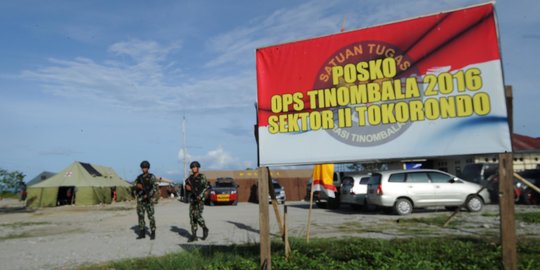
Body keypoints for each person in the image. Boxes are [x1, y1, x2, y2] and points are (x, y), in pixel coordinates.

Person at [185, 161, 210, 242]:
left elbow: (206, 188)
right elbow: (187, 188)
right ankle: (194, 235)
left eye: (195, 167)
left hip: (199, 200)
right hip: (192, 200)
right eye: (192, 167)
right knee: (192, 218)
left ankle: (204, 228)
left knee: (197, 215)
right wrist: (187, 187)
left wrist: (201, 196)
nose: (193, 168)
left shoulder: (202, 177)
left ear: (198, 168)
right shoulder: (189, 178)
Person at [134, 160, 158, 240]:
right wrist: (137, 186)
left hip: (148, 199)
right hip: (140, 200)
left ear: (148, 168)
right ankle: (142, 232)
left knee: (151, 216)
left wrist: (149, 195)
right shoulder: (139, 177)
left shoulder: (152, 177)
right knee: (141, 216)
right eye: (143, 168)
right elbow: (134, 185)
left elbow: (155, 188)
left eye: (145, 167)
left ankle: (153, 232)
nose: (144, 169)